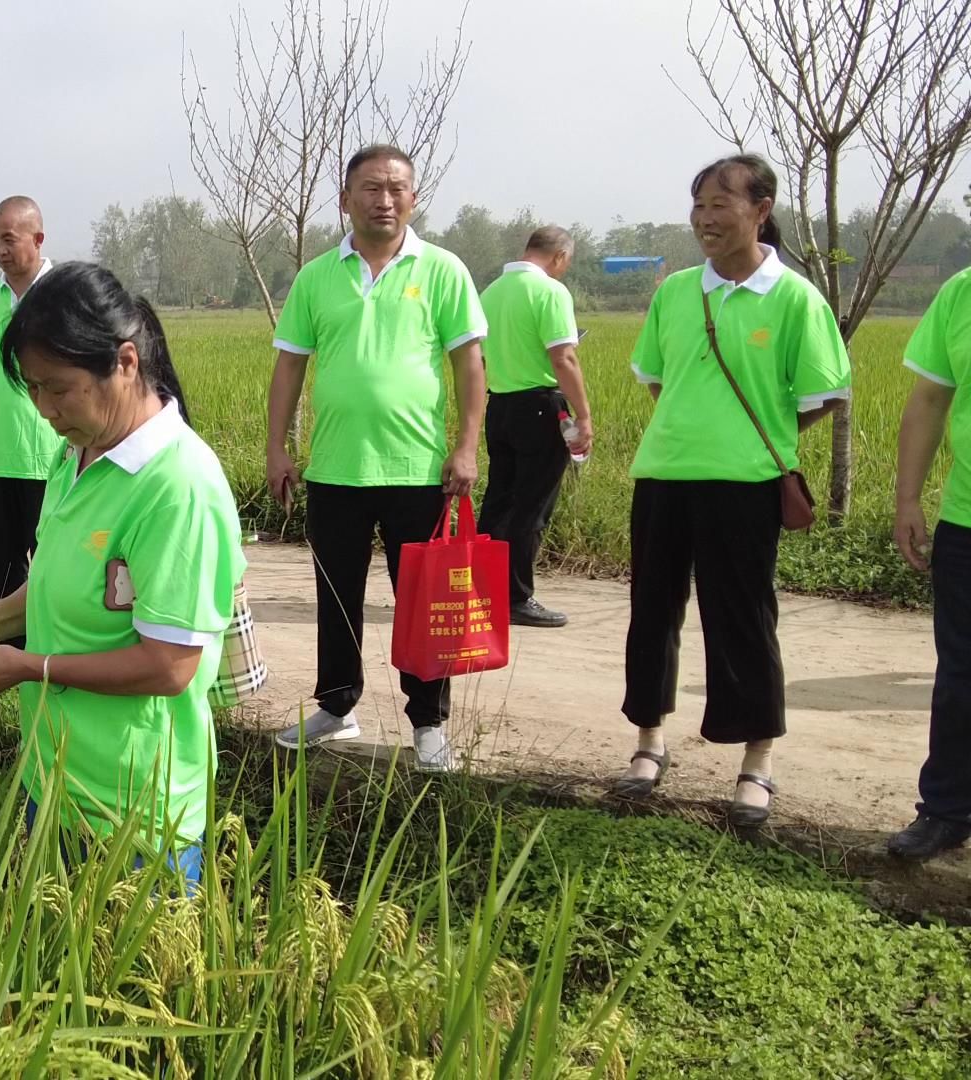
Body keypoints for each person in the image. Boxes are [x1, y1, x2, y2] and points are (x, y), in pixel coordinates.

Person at [0, 262, 240, 891]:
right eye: (34, 391)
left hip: (133, 809)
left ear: (125, 362)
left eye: (60, 387)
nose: (46, 410)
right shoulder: (74, 452)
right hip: (52, 776)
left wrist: (29, 668)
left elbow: (169, 665)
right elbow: (55, 578)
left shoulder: (178, 485)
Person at [613, 154, 850, 826]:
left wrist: (754, 435)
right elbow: (660, 377)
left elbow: (822, 395)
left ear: (761, 209)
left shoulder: (795, 298)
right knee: (652, 612)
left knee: (742, 618)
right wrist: (692, 423)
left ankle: (756, 763)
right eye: (699, 205)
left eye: (722, 204)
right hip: (664, 473)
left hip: (746, 482)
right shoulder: (675, 292)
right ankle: (648, 744)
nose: (707, 218)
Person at [266, 146, 487, 773]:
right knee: (336, 596)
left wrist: (467, 446)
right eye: (370, 189)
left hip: (418, 470)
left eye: (396, 189)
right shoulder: (316, 278)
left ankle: (429, 722)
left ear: (413, 198)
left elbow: (470, 365)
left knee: (423, 602)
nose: (384, 200)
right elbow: (289, 367)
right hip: (335, 470)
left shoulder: (442, 270)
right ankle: (337, 705)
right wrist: (277, 446)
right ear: (346, 198)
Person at [887, 265, 971, 860]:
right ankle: (946, 810)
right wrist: (909, 498)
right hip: (967, 520)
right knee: (961, 676)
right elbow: (929, 400)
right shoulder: (962, 292)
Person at [478, 226, 594, 628]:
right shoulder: (550, 292)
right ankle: (516, 597)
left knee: (499, 502)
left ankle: (484, 592)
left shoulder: (490, 293)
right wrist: (584, 415)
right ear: (559, 257)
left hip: (500, 405)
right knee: (533, 506)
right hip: (541, 407)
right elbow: (563, 358)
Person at [0, 196, 67, 616]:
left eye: (9, 239)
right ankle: (15, 649)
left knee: (56, 559)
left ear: (38, 239)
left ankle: (56, 646)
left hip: (54, 455)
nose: (0, 250)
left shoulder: (64, 294)